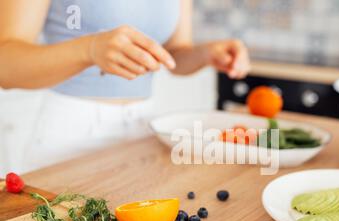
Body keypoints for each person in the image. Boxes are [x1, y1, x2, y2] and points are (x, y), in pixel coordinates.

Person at [0, 0, 250, 174]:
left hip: (143, 131)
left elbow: (174, 54)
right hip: (70, 135)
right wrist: (90, 49)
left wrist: (206, 54)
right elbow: (6, 63)